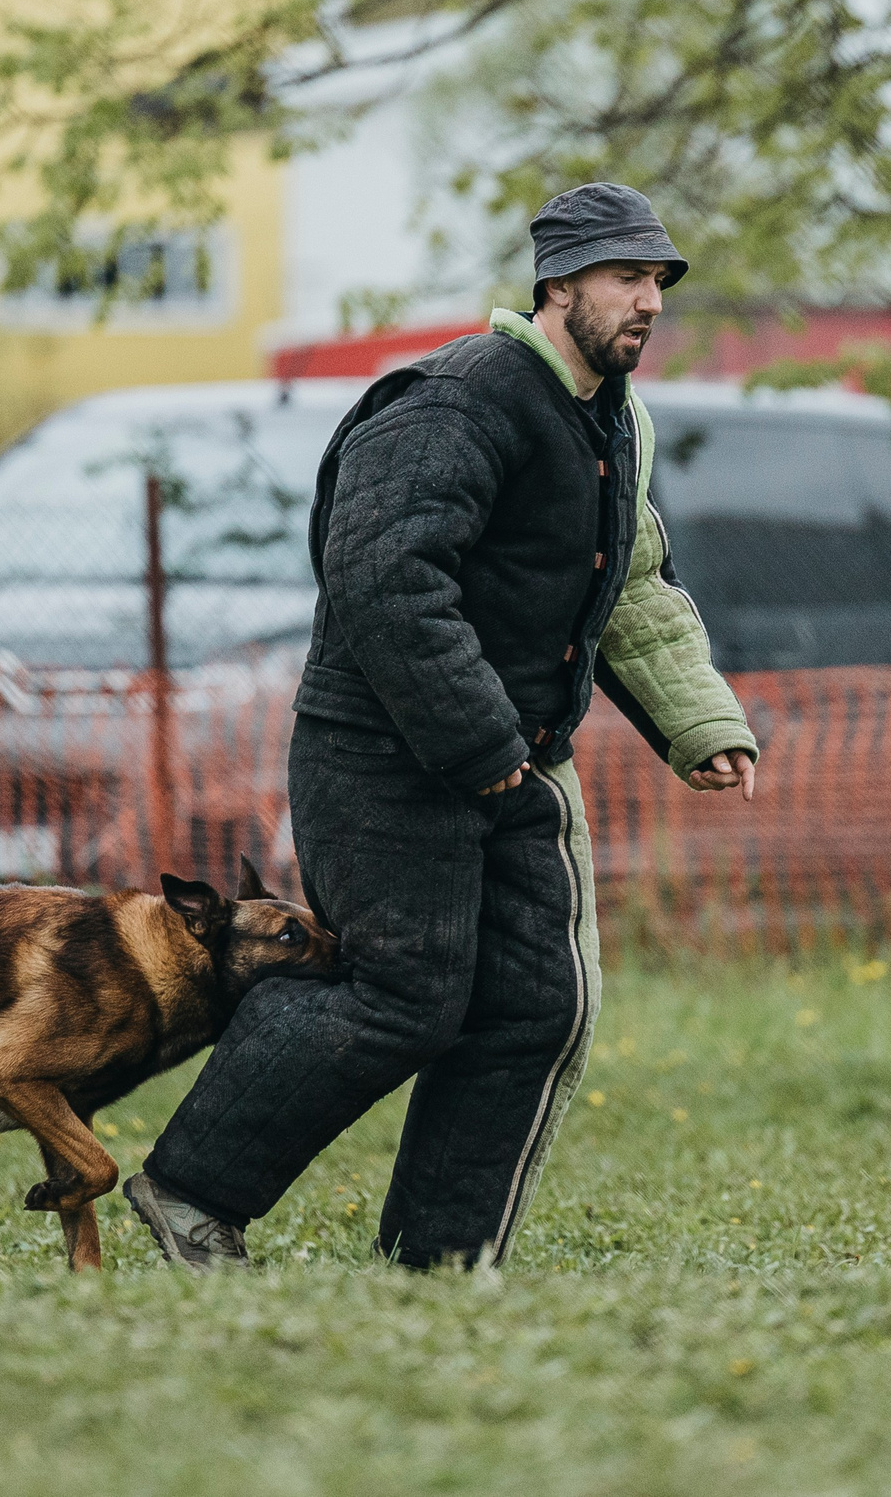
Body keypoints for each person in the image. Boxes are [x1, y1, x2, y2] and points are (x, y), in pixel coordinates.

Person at [125, 183, 759, 1269]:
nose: (648, 300)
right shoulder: (457, 402)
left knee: (533, 1004)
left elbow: (634, 581)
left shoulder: (613, 418)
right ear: (557, 284)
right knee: (402, 991)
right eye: (625, 277)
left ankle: (439, 1264)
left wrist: (700, 719)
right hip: (383, 752)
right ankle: (189, 1194)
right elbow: (384, 581)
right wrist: (486, 753)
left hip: (506, 760)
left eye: (658, 280)